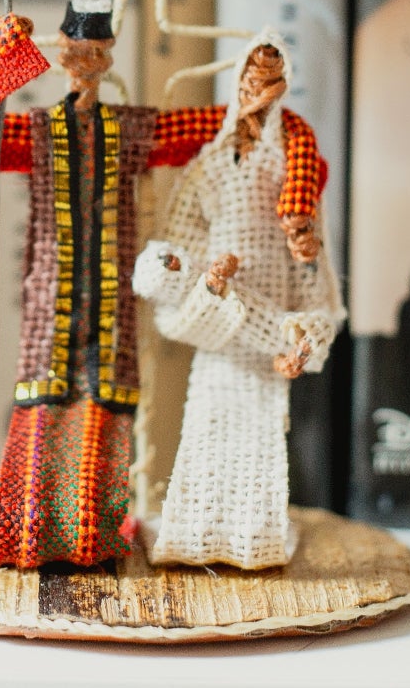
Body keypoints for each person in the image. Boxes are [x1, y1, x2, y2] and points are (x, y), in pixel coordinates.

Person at [0, 0, 326, 569]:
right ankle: (27, 541)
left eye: (97, 50)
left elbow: (252, 128)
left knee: (102, 423)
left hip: (113, 316)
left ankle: (92, 546)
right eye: (76, 50)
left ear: (107, 55)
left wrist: (297, 199)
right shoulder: (34, 131)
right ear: (63, 53)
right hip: (50, 314)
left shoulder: (134, 130)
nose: (85, 60)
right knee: (43, 417)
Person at [132, 35, 342, 570]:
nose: (258, 96)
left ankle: (254, 541)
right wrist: (183, 272)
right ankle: (194, 535)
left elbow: (317, 289)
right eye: (251, 84)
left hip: (265, 352)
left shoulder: (296, 174)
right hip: (219, 347)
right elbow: (173, 254)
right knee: (206, 435)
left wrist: (302, 341)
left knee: (257, 450)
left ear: (280, 89)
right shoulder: (206, 167)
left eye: (268, 86)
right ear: (239, 87)